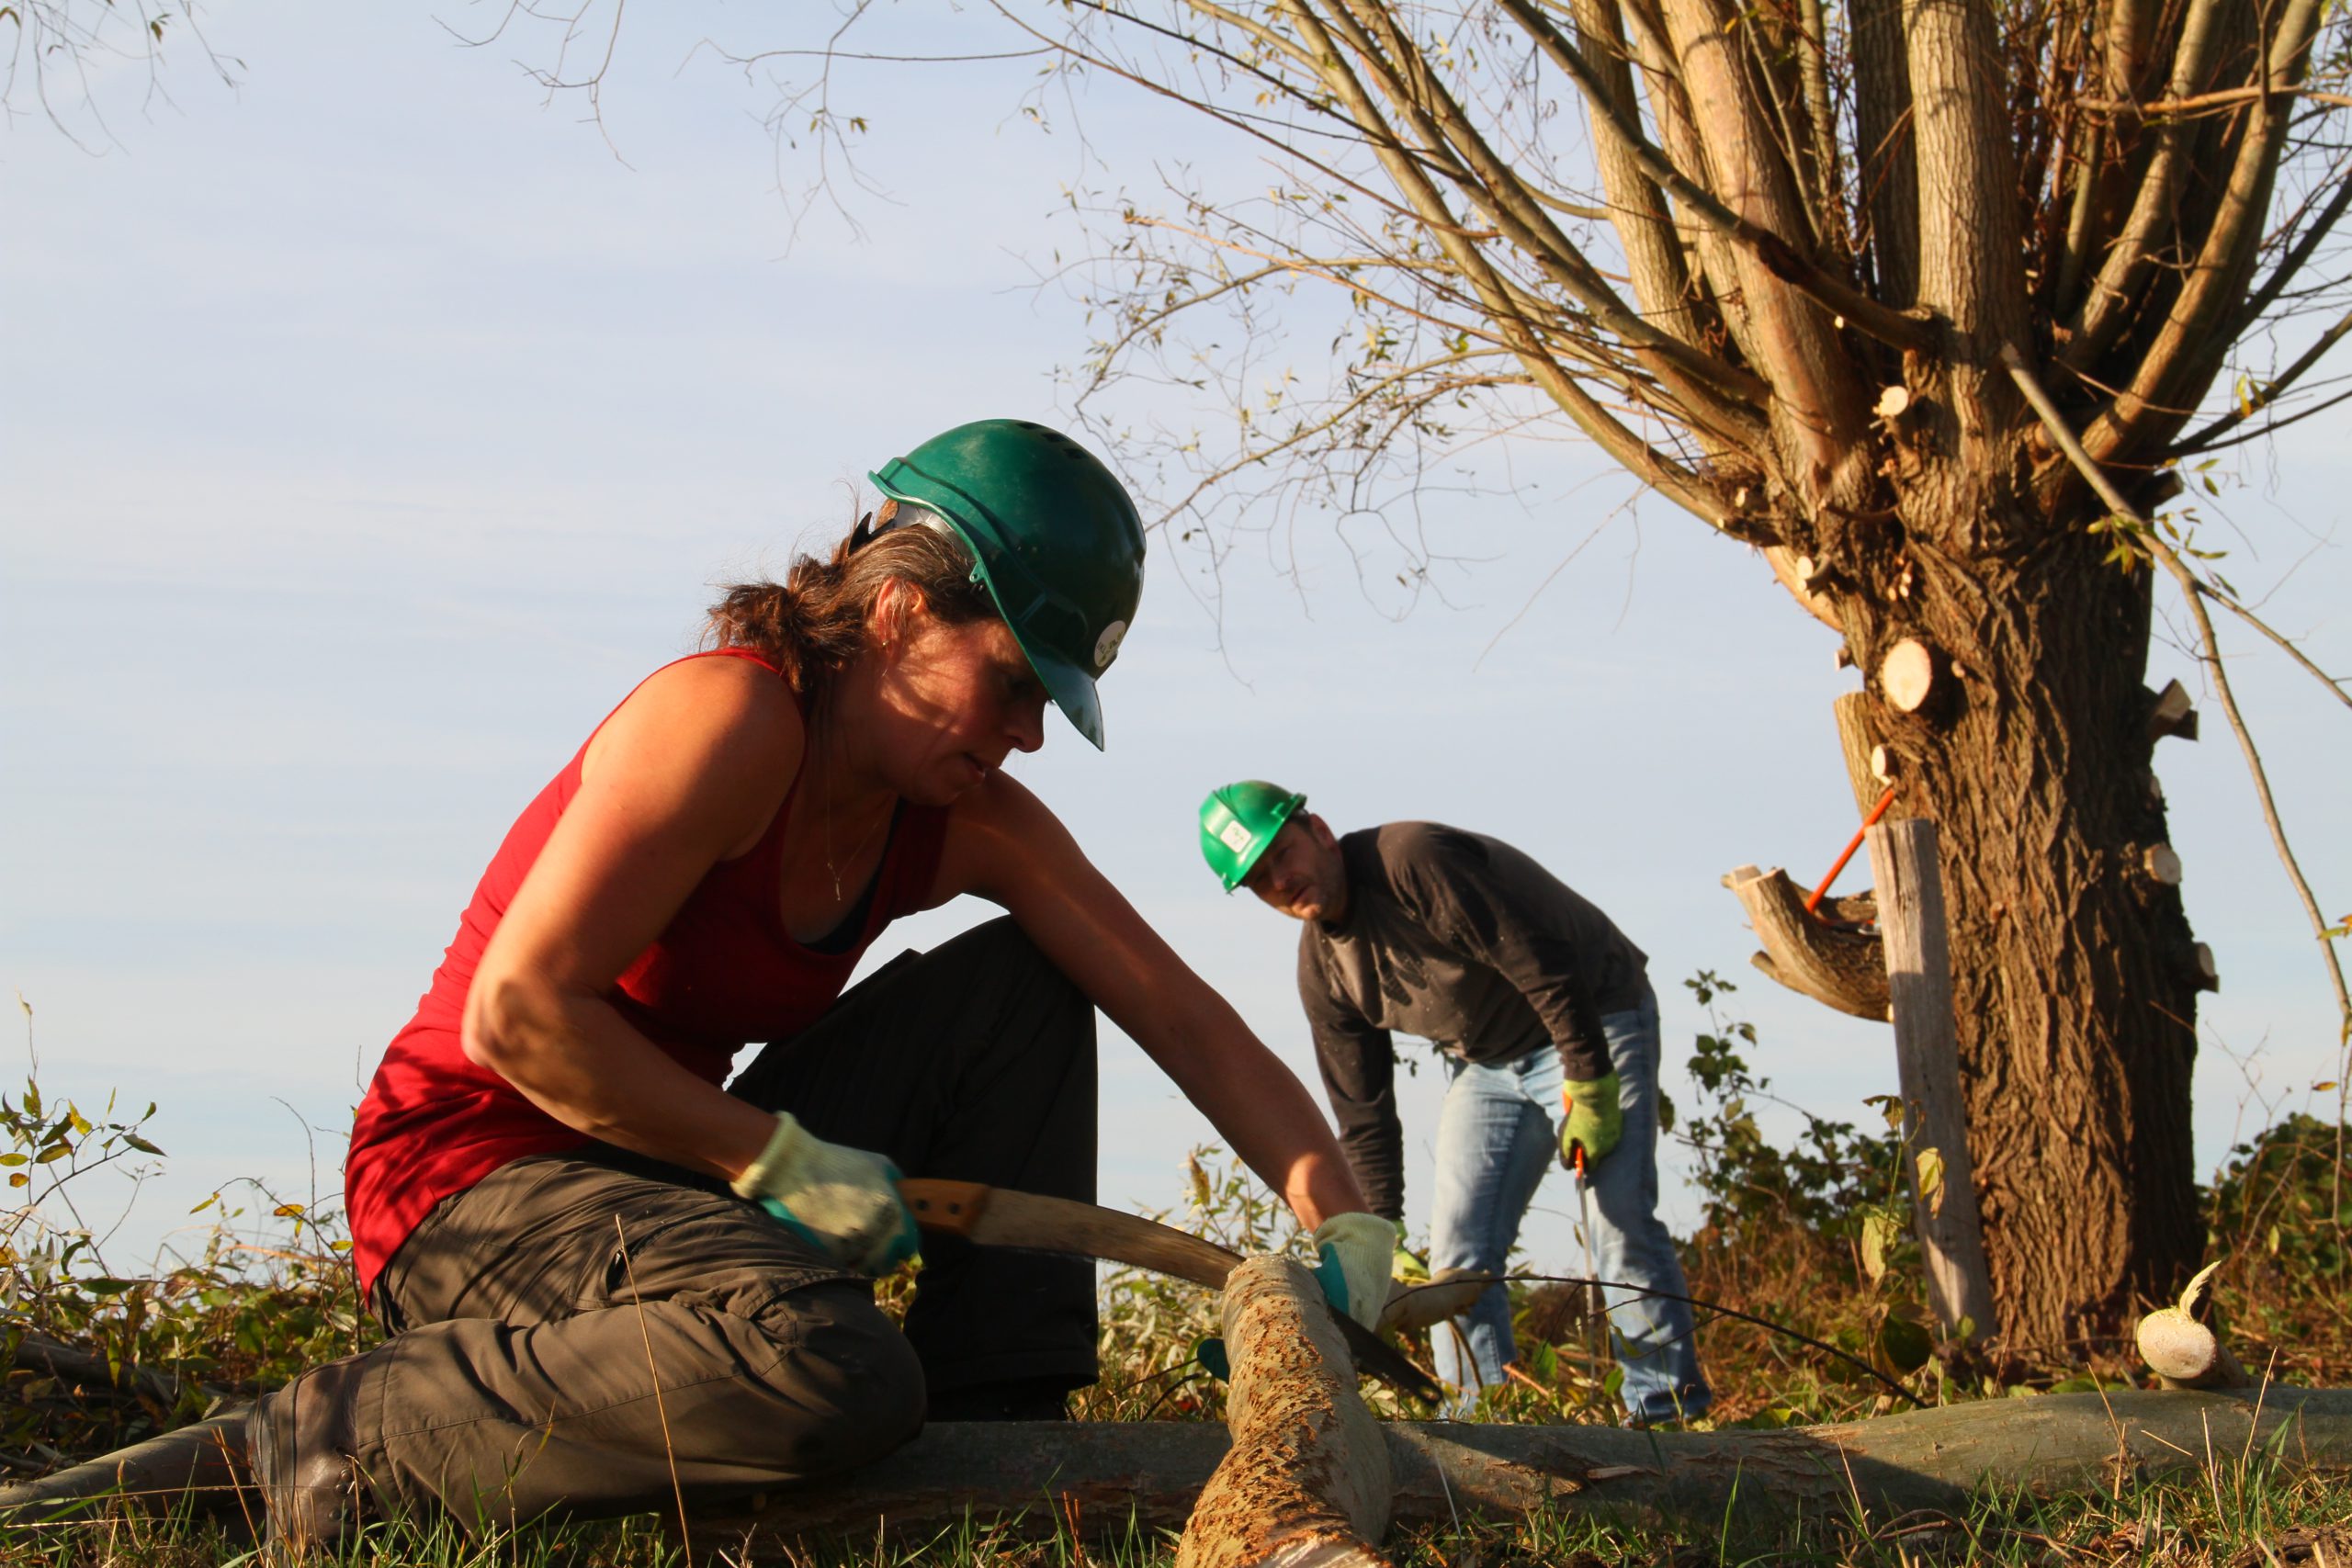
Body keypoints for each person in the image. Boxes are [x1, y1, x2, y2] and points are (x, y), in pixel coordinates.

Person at [249, 422, 1395, 1550]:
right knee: (827, 1361)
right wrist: (773, 1159)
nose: (1028, 735)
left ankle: (1000, 1430)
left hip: (658, 1176)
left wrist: (1340, 1216)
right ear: (897, 612)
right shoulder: (730, 720)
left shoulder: (963, 818)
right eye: (1009, 682)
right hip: (473, 1180)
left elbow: (1181, 1014)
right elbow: (519, 1017)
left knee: (1023, 983)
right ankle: (339, 1435)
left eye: (1044, 701)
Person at [1197, 782, 1710, 1426]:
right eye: (1259, 879)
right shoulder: (1324, 970)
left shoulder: (1411, 861)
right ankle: (1486, 1424)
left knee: (1618, 1220)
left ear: (1320, 831)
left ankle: (1668, 1419)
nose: (1281, 879)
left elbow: (1540, 958)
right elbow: (1364, 1112)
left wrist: (1588, 1077)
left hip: (1593, 1016)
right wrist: (1378, 1228)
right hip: (1487, 1065)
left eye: (1283, 853)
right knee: (1456, 1261)